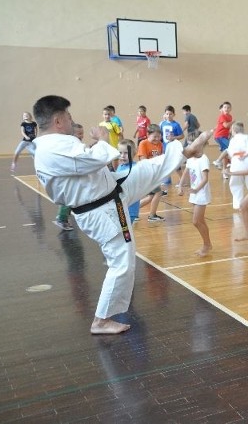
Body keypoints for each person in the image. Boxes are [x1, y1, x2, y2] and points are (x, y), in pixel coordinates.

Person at [32, 95, 210, 334]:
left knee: (146, 169)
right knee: (122, 262)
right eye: (68, 116)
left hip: (109, 192)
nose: (71, 120)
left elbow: (87, 162)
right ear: (57, 120)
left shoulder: (49, 145)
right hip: (104, 211)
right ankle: (102, 319)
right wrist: (104, 141)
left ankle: (188, 150)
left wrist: (99, 144)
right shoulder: (56, 147)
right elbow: (97, 159)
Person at [178, 136, 213, 257]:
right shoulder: (190, 159)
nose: (189, 147)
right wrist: (180, 185)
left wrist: (196, 189)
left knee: (196, 221)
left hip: (201, 193)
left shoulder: (203, 159)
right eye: (188, 145)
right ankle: (207, 244)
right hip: (194, 193)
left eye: (192, 145)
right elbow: (186, 172)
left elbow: (205, 179)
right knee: (200, 221)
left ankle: (207, 245)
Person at [53, 123, 85, 231]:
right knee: (68, 199)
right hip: (68, 177)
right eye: (79, 133)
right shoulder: (70, 145)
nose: (81, 136)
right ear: (72, 134)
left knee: (72, 198)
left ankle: (65, 216)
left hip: (73, 177)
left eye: (82, 133)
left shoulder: (78, 144)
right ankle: (62, 219)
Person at [137, 124, 167, 222]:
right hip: (147, 173)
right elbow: (143, 160)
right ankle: (152, 215)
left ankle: (130, 211)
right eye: (154, 137)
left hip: (155, 174)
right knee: (158, 193)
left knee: (150, 197)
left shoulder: (160, 144)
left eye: (159, 137)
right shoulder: (143, 143)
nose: (157, 139)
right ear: (148, 134)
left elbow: (161, 158)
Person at [116, 139, 141, 222]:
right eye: (120, 153)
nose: (122, 155)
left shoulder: (135, 168)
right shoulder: (120, 167)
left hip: (130, 208)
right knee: (121, 232)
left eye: (126, 153)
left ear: (133, 153)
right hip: (120, 207)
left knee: (125, 232)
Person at [213, 101, 234, 173]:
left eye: (228, 107)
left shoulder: (230, 116)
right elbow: (226, 125)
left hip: (225, 136)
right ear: (222, 108)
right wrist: (233, 122)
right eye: (225, 107)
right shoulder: (222, 116)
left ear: (230, 109)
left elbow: (229, 128)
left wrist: (229, 135)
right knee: (230, 147)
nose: (226, 109)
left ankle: (224, 170)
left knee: (225, 152)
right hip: (219, 136)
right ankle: (218, 161)